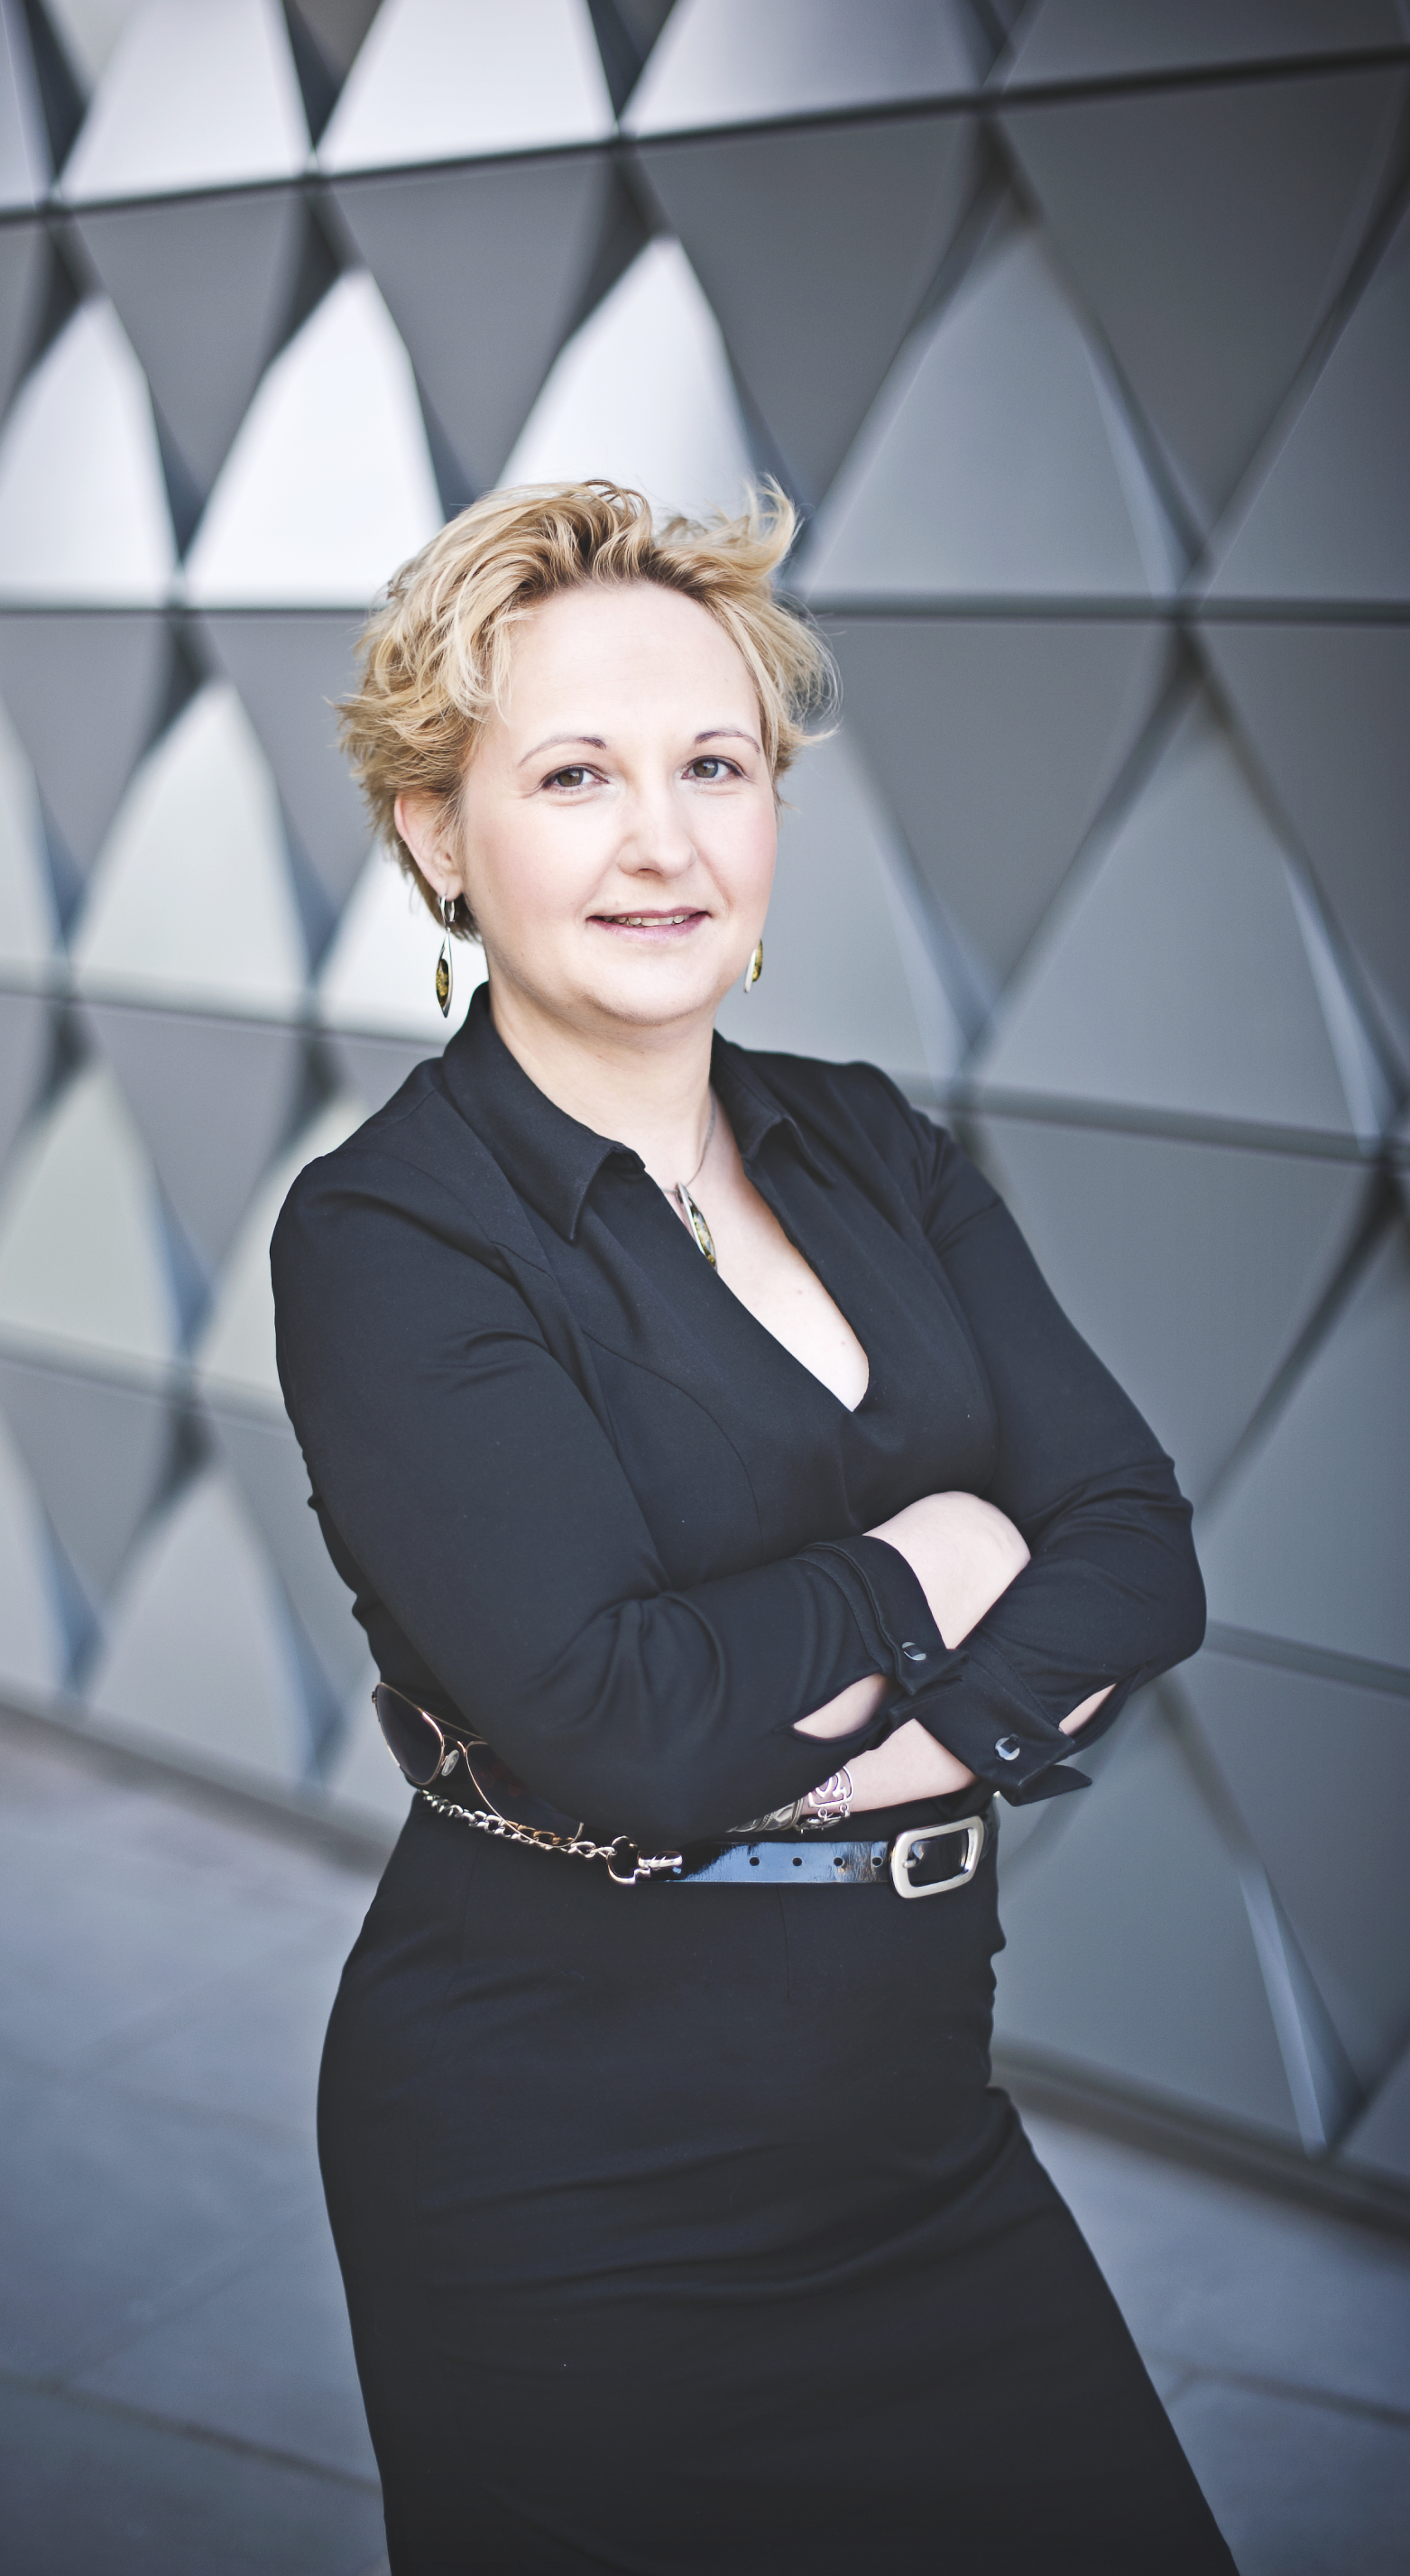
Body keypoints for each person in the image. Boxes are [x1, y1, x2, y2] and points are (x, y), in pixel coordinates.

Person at [272, 481, 1235, 2572]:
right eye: (573, 776)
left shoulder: (867, 1139)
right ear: (439, 833)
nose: (660, 840)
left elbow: (1135, 1540)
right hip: (567, 2185)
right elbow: (617, 1724)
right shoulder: (392, 1238)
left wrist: (926, 1738)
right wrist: (931, 1563)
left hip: (909, 2139)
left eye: (713, 766)